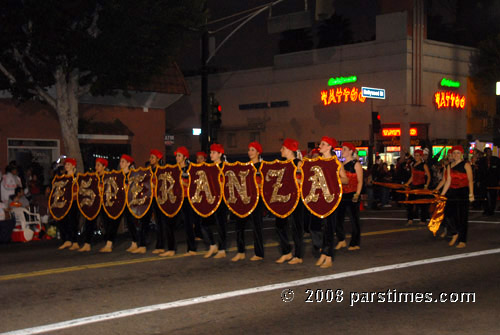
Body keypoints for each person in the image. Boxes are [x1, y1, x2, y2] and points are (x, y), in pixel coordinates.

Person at [315, 136, 348, 268]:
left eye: (323, 144)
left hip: (332, 198)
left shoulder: (336, 163)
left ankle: (328, 256)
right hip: (319, 198)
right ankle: (323, 251)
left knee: (329, 227)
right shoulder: (316, 162)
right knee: (317, 227)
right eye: (320, 144)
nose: (320, 146)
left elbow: (345, 180)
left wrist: (334, 178)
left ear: (329, 147)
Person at [159, 146, 197, 257]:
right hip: (175, 199)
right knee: (169, 222)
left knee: (188, 224)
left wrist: (182, 183)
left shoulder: (190, 169)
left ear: (185, 157)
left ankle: (192, 249)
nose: (177, 157)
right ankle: (171, 249)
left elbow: (193, 185)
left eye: (179, 155)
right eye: (176, 155)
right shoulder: (173, 169)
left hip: (186, 199)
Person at [231, 141, 265, 262]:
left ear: (258, 152)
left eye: (252, 150)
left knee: (257, 226)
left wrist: (259, 185)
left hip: (257, 200)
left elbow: (265, 183)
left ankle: (259, 253)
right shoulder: (245, 166)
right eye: (249, 149)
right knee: (239, 225)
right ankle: (241, 251)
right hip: (245, 199)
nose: (249, 152)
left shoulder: (262, 166)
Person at [99, 154, 140, 253]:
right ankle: (109, 244)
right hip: (119, 202)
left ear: (128, 163)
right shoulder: (117, 175)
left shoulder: (133, 174)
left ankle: (135, 243)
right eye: (120, 161)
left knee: (130, 222)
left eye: (123, 162)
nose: (121, 163)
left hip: (128, 202)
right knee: (114, 221)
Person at [275, 138, 305, 265]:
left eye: (283, 148)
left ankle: (298, 255)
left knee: (296, 227)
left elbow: (305, 181)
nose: (281, 150)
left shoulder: (298, 163)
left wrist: (294, 180)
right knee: (280, 225)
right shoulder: (281, 163)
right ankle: (286, 252)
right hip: (283, 199)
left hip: (296, 199)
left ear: (288, 150)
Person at [440, 146, 474, 248]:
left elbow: (470, 180)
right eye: (454, 153)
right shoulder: (449, 165)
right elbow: (448, 181)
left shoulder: (466, 165)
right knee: (448, 214)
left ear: (462, 154)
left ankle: (462, 240)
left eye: (458, 153)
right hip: (452, 192)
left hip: (463, 192)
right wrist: (442, 194)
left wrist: (471, 194)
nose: (455, 155)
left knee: (462, 217)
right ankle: (455, 233)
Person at [136, 149, 166, 254]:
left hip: (157, 198)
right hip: (148, 198)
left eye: (153, 157)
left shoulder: (161, 170)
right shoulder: (148, 170)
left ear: (158, 159)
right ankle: (142, 244)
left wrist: (155, 185)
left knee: (159, 222)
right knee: (144, 221)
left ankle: (160, 246)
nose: (150, 159)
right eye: (150, 157)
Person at [335, 142, 363, 251]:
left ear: (351, 151)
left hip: (352, 195)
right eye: (342, 149)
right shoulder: (340, 165)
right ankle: (341, 240)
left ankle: (355, 243)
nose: (342, 151)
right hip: (342, 195)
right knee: (337, 219)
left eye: (345, 149)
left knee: (354, 220)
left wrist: (357, 194)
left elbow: (360, 181)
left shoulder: (356, 164)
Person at [203, 143, 228, 259]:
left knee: (220, 224)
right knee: (204, 222)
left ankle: (222, 249)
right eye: (211, 152)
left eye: (213, 152)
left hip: (222, 200)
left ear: (220, 154)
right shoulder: (208, 167)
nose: (211, 154)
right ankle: (213, 245)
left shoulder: (225, 166)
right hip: (210, 199)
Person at [79, 157, 108, 252]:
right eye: (96, 165)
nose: (96, 167)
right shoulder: (93, 178)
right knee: (89, 221)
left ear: (104, 166)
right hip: (94, 203)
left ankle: (108, 243)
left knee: (106, 223)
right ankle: (87, 243)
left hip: (104, 203)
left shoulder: (108, 177)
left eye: (98, 165)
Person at [57, 158, 80, 250]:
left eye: (68, 164)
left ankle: (75, 242)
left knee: (73, 221)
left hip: (74, 202)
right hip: (64, 202)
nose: (66, 166)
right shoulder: (62, 178)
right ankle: (67, 240)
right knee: (62, 220)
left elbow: (79, 190)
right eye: (66, 165)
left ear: (73, 166)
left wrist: (72, 194)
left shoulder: (76, 177)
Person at [404, 149, 431, 225]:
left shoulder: (424, 165)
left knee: (422, 204)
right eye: (415, 155)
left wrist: (426, 185)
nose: (416, 157)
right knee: (410, 203)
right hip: (413, 186)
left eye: (418, 155)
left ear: (421, 156)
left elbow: (429, 176)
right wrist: (407, 184)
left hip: (421, 186)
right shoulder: (413, 165)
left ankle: (423, 220)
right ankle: (410, 219)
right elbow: (412, 176)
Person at [477, 147, 500, 216]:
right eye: (488, 152)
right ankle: (486, 209)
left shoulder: (496, 160)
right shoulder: (481, 160)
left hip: (494, 181)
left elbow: (499, 171)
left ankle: (491, 210)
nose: (489, 153)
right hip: (484, 181)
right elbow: (479, 172)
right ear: (485, 153)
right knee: (484, 196)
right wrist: (478, 180)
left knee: (493, 196)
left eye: (490, 152)